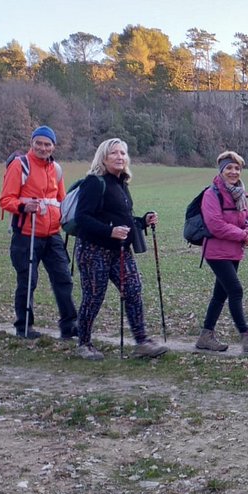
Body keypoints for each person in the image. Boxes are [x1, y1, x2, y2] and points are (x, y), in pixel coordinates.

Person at [71, 138, 168, 361]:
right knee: (93, 297)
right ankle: (84, 344)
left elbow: (121, 218)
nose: (119, 157)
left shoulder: (121, 183)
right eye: (114, 153)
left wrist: (142, 221)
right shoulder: (94, 182)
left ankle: (142, 342)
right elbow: (82, 218)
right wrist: (109, 231)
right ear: (103, 157)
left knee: (133, 290)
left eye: (123, 153)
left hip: (120, 251)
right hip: (93, 250)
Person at [0, 125, 77, 340]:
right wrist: (24, 207)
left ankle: (69, 325)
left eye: (47, 144)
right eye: (39, 143)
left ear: (53, 146)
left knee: (64, 279)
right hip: (26, 234)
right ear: (32, 143)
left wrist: (70, 220)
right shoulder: (19, 165)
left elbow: (62, 201)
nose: (43, 148)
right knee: (28, 281)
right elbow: (5, 200)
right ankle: (24, 327)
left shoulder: (56, 169)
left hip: (52, 234)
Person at [194, 151, 248, 353]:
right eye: (229, 168)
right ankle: (247, 336)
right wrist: (242, 235)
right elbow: (215, 225)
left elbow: (247, 218)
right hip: (216, 252)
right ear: (221, 171)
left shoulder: (239, 193)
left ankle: (205, 336)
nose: (233, 172)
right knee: (235, 290)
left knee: (220, 295)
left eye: (237, 168)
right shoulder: (212, 194)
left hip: (234, 251)